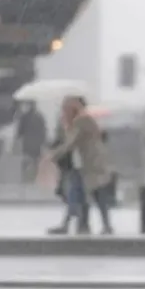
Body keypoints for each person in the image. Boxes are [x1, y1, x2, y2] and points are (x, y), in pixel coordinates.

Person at [50, 96, 115, 235]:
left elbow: (71, 142)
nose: (64, 111)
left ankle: (104, 226)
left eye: (66, 108)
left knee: (97, 195)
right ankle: (74, 225)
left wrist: (55, 155)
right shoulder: (75, 122)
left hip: (91, 164)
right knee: (76, 194)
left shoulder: (82, 120)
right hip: (81, 164)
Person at [15, 101, 47, 183]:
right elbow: (43, 130)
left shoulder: (24, 117)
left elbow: (20, 131)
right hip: (36, 143)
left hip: (28, 142)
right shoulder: (39, 117)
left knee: (27, 159)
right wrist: (43, 141)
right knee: (35, 160)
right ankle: (33, 176)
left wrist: (17, 138)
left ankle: (25, 176)